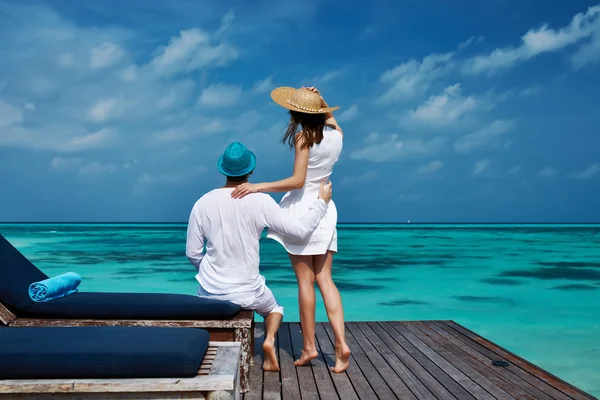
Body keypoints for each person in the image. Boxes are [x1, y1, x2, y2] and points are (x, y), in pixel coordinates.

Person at [231, 86, 350, 373]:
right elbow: (333, 122)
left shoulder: (303, 138)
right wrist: (321, 99)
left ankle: (309, 346)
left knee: (305, 283)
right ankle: (341, 344)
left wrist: (258, 186)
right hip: (327, 206)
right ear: (320, 111)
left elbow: (297, 181)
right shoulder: (336, 136)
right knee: (326, 281)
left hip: (304, 208)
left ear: (296, 113)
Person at [186, 141, 333, 372]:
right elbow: (300, 231)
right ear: (250, 171)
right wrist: (321, 204)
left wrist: (210, 271)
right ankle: (269, 340)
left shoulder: (202, 203)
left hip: (210, 292)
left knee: (253, 299)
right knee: (275, 309)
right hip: (249, 290)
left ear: (222, 169)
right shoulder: (261, 200)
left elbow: (192, 252)